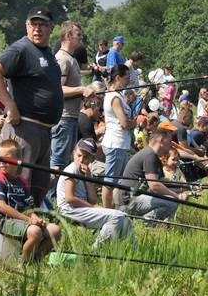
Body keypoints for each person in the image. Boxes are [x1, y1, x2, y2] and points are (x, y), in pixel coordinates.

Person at [0, 5, 64, 206]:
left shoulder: (47, 53)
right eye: (33, 24)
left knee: (38, 189)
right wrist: (9, 104)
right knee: (18, 187)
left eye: (42, 25)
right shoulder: (21, 48)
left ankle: (32, 228)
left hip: (44, 133)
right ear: (27, 26)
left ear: (51, 27)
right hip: (24, 129)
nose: (37, 29)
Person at [0, 139, 61, 261]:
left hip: (20, 219)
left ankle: (35, 259)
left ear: (18, 161)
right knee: (35, 232)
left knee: (55, 231)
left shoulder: (22, 182)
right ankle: (23, 263)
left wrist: (35, 218)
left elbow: (27, 207)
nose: (2, 162)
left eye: (7, 159)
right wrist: (28, 220)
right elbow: (1, 207)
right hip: (1, 220)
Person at [56, 138, 134, 247]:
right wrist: (93, 208)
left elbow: (92, 199)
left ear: (91, 159)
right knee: (116, 217)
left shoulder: (86, 172)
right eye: (79, 155)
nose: (82, 160)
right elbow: (70, 198)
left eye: (86, 157)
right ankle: (96, 249)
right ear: (73, 154)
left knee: (125, 218)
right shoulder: (72, 170)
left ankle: (131, 248)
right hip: (69, 209)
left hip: (80, 208)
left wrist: (88, 178)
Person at [50, 21, 96, 172]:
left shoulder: (71, 58)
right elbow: (57, 89)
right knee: (58, 162)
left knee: (65, 160)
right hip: (63, 118)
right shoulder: (62, 59)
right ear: (68, 36)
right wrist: (82, 89)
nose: (81, 38)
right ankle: (52, 195)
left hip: (71, 117)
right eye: (78, 35)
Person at [121, 128, 192, 222]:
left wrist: (188, 187)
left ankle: (148, 224)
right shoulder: (150, 155)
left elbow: (164, 185)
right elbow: (154, 186)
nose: (171, 143)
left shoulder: (153, 156)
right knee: (171, 203)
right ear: (162, 140)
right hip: (129, 200)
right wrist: (177, 196)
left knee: (170, 199)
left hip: (136, 197)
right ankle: (146, 225)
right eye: (170, 140)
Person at [100, 64, 133, 208]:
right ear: (117, 77)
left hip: (121, 143)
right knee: (110, 181)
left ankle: (116, 207)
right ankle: (107, 212)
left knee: (119, 180)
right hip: (116, 143)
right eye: (126, 78)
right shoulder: (114, 97)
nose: (129, 81)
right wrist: (136, 122)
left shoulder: (118, 95)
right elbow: (124, 123)